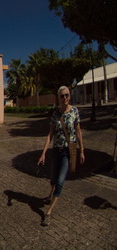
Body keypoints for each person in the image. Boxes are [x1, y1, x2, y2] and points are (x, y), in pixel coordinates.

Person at [38, 86, 85, 226]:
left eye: (67, 95)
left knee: (59, 181)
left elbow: (78, 132)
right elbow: (50, 135)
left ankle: (48, 213)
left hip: (67, 152)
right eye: (62, 96)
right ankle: (51, 194)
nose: (65, 98)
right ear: (58, 98)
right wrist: (43, 154)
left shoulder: (75, 111)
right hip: (56, 151)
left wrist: (82, 150)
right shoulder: (56, 114)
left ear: (69, 96)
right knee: (52, 180)